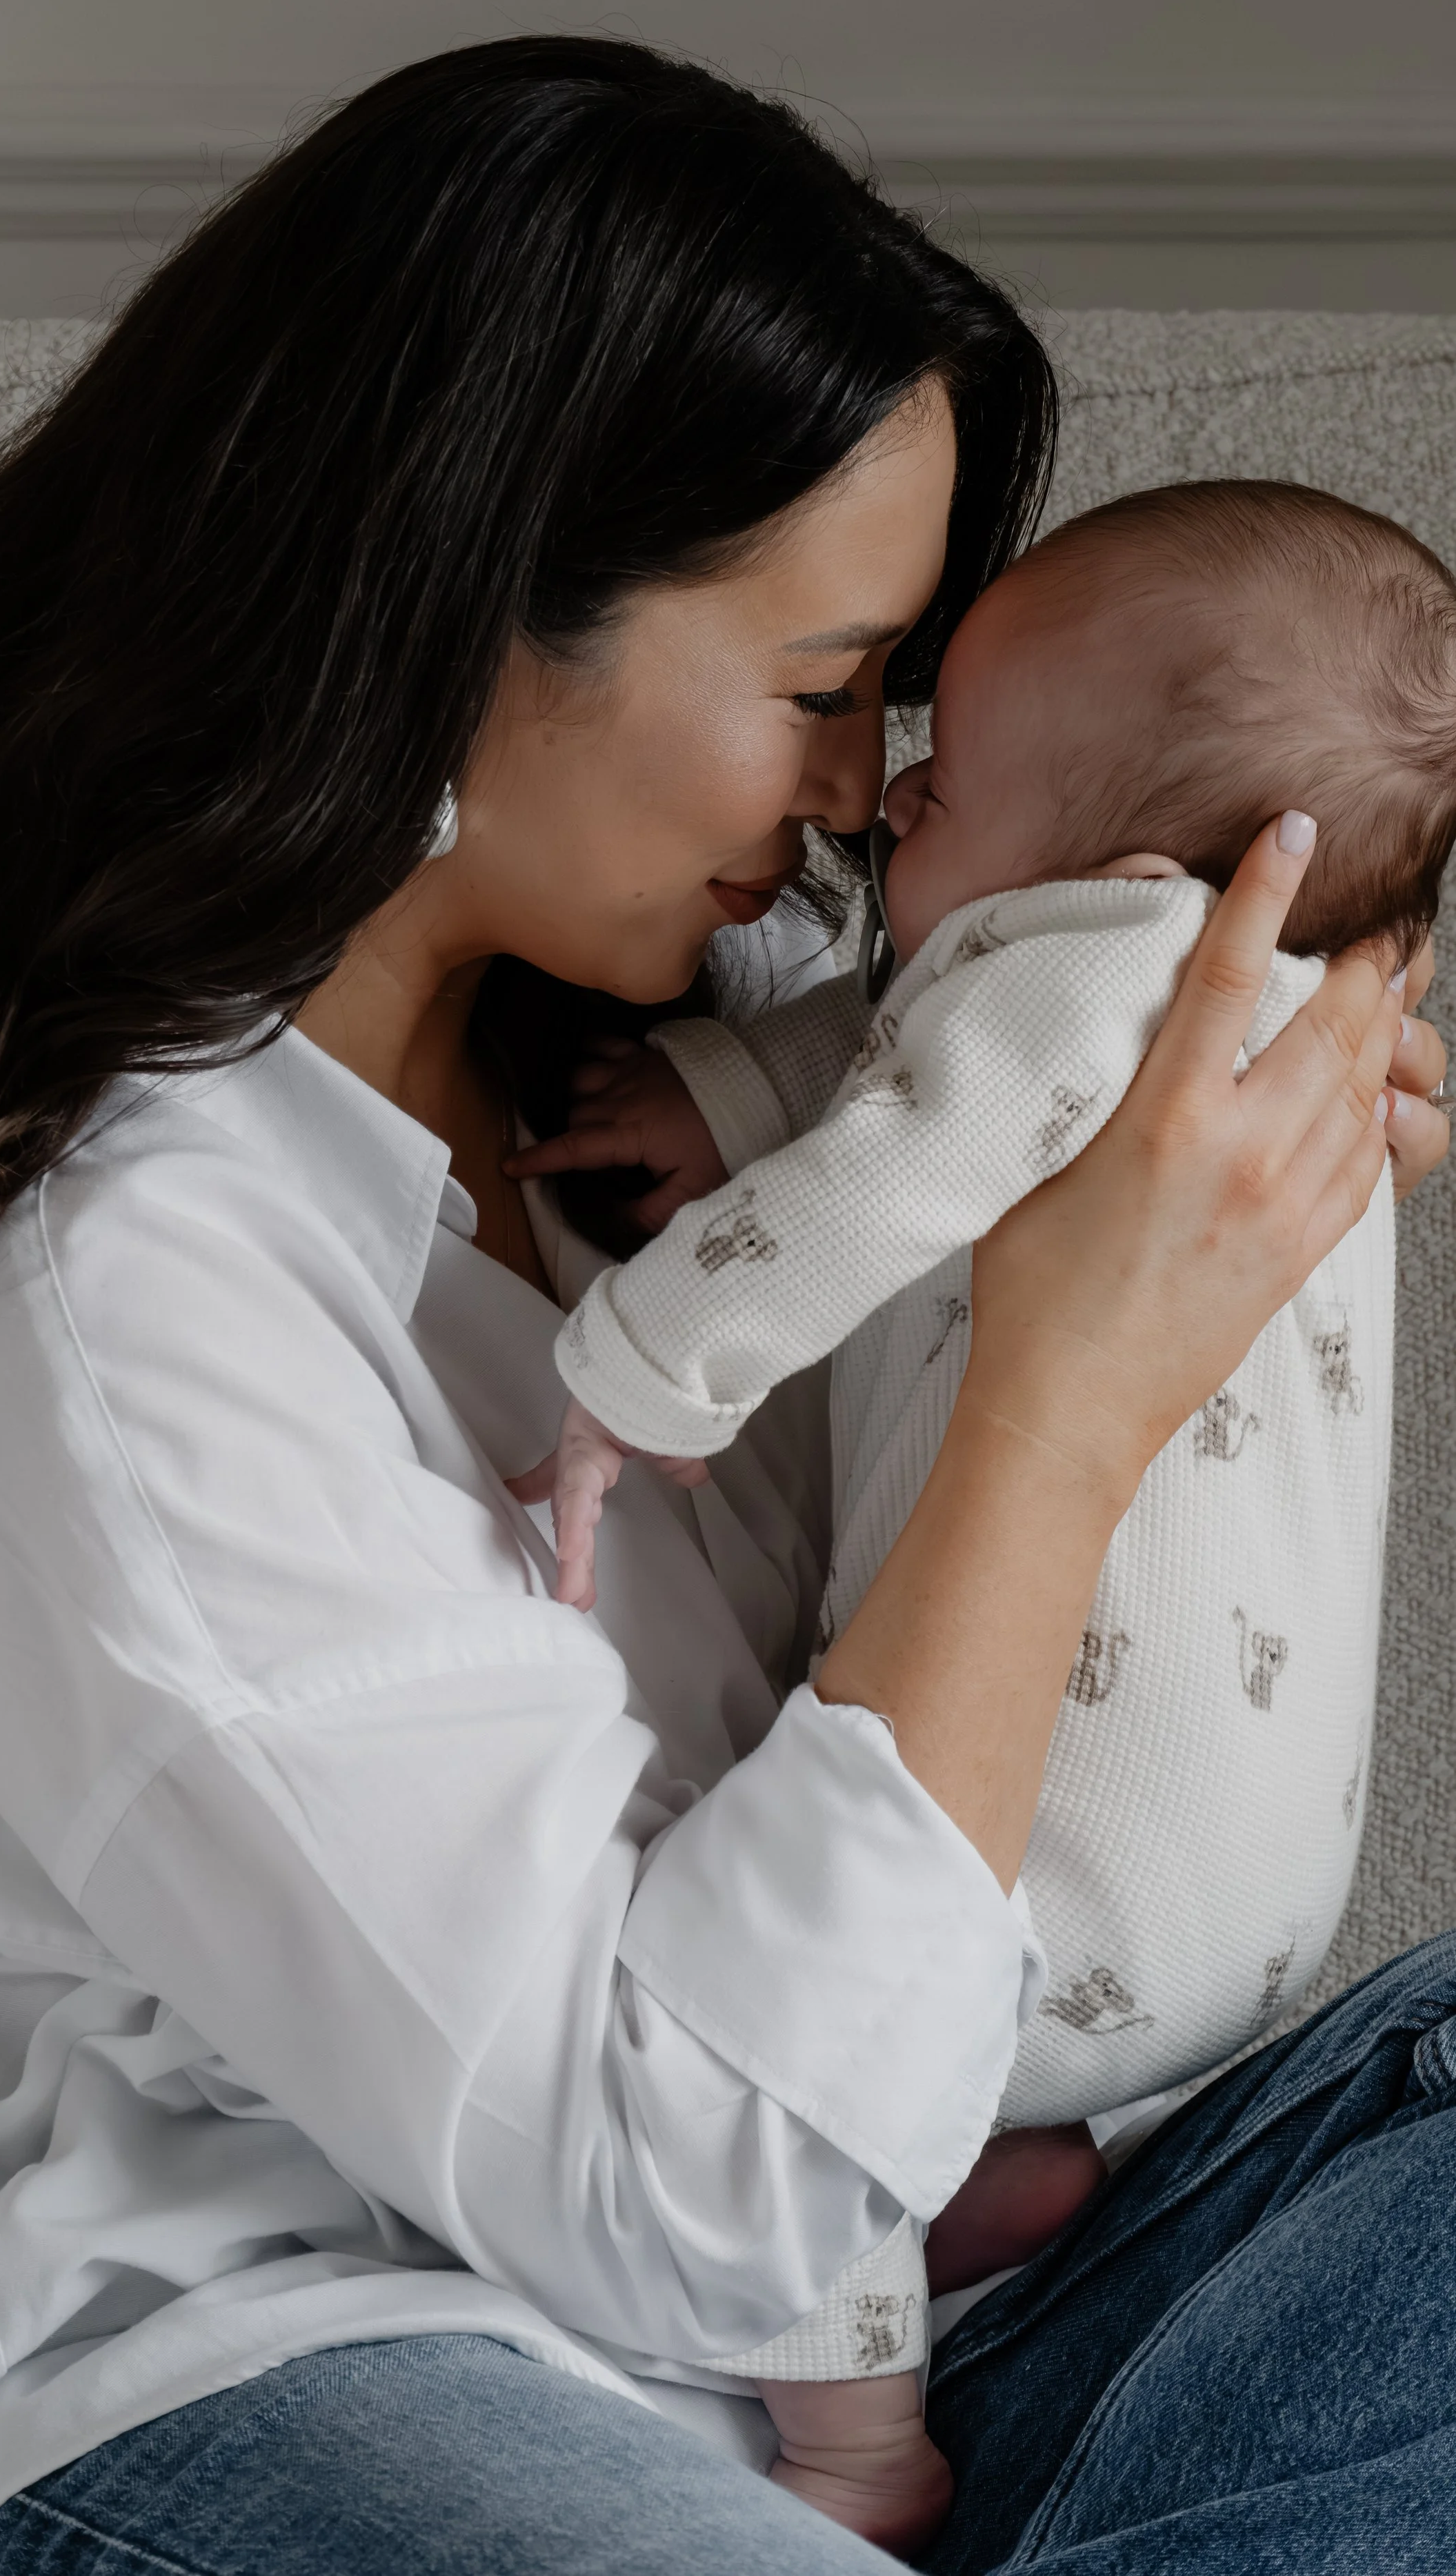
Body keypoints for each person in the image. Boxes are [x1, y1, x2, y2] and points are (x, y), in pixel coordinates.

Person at [0, 35, 1446, 2576]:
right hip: (303, 2357)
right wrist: (1069, 1399)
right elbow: (698, 2192)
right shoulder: (98, 1315)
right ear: (456, 612)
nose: (861, 796)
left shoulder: (693, 1067)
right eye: (818, 687)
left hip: (880, 2316)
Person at [510, 475, 1456, 2549]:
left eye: (943, 766)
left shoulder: (1086, 971)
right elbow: (896, 1041)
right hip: (1244, 1922)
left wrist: (638, 1369)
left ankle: (855, 2442)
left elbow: (905, 1144)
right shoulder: (1281, 1040)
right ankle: (1025, 2185)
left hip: (1054, 1877)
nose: (886, 795)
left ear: (1128, 875)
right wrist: (723, 1095)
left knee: (842, 1996)